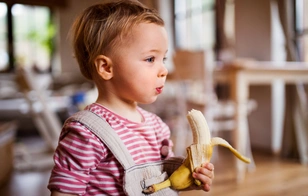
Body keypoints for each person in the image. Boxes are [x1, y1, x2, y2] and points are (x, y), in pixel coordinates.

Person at [48, 0, 214, 195]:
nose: (164, 70)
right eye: (150, 59)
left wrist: (190, 178)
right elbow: (65, 191)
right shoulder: (85, 132)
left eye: (164, 59)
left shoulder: (157, 127)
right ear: (106, 68)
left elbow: (164, 180)